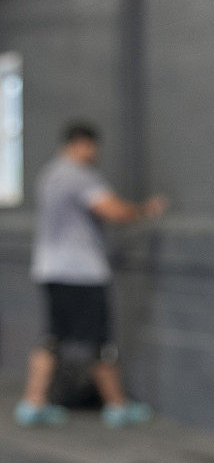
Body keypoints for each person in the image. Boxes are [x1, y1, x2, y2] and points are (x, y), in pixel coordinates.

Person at [15, 121, 165, 428]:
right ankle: (117, 406)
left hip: (50, 270)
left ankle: (32, 402)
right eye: (90, 146)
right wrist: (145, 210)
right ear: (78, 144)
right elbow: (113, 211)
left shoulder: (49, 175)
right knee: (100, 340)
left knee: (53, 337)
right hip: (81, 273)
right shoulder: (79, 176)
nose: (93, 153)